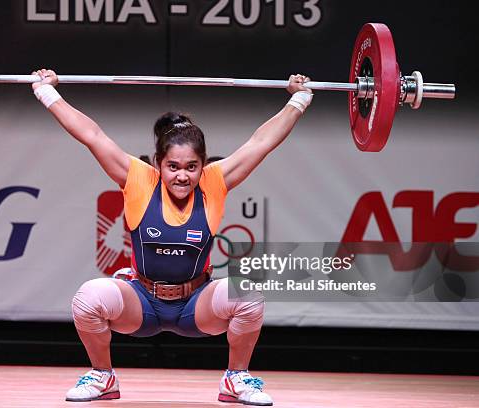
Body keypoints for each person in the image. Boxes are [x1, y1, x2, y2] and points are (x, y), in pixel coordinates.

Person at [31, 69, 312, 406]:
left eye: (192, 167)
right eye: (173, 167)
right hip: (142, 302)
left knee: (247, 293)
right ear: (158, 164)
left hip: (196, 305)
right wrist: (46, 93)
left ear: (203, 165)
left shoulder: (214, 183)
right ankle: (103, 376)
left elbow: (261, 142)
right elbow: (92, 134)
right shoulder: (138, 180)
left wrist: (299, 99)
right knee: (89, 298)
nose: (182, 176)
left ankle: (236, 378)